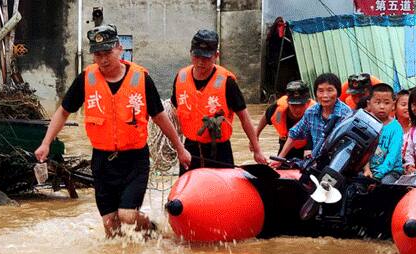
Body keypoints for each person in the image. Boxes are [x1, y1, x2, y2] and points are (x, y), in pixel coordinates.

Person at [34, 24, 191, 238]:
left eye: (107, 52)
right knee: (111, 227)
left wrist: (180, 148)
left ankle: (153, 231)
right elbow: (63, 112)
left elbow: (160, 116)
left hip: (134, 160)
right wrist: (46, 142)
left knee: (127, 215)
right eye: (98, 55)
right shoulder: (86, 79)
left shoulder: (141, 79)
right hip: (102, 161)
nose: (103, 59)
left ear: (119, 49)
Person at [172, 29, 266, 171]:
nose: (200, 62)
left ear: (216, 55)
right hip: (190, 149)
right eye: (196, 56)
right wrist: (178, 146)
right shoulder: (181, 78)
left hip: (220, 151)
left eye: (206, 58)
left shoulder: (227, 82)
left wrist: (257, 150)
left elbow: (245, 118)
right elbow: (173, 110)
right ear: (190, 52)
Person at [271, 73, 353, 165]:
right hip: (315, 163)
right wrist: (280, 158)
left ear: (338, 92)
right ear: (316, 94)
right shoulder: (311, 112)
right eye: (320, 91)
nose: (325, 95)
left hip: (337, 164)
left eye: (330, 90)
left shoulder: (347, 115)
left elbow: (353, 144)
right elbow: (294, 133)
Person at [255, 80, 315, 159]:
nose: (297, 109)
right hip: (285, 145)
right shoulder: (278, 111)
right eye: (293, 105)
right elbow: (266, 117)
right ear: (287, 102)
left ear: (308, 102)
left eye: (301, 105)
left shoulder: (315, 112)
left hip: (308, 147)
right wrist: (256, 136)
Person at [363, 83, 404, 183]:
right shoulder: (366, 123)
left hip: (391, 171)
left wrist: (378, 175)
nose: (382, 107)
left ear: (393, 105)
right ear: (369, 104)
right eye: (377, 102)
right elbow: (362, 151)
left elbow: (392, 156)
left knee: (385, 184)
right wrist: (366, 169)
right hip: (368, 170)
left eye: (386, 103)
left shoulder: (396, 128)